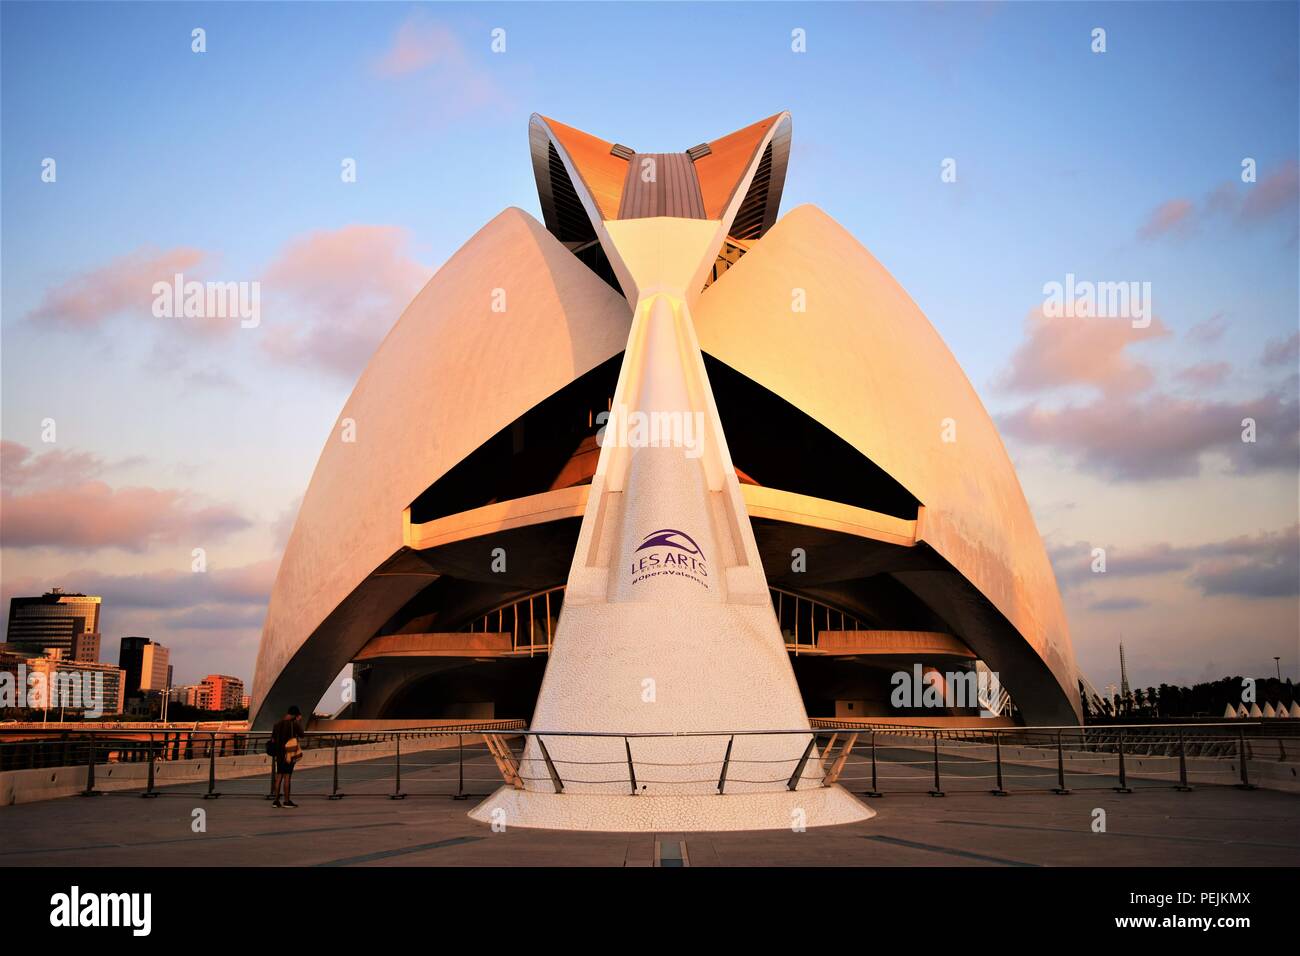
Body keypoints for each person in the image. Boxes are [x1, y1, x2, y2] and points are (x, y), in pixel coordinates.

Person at [270, 705, 306, 808]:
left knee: (279, 777)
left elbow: (273, 740)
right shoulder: (294, 724)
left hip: (279, 754)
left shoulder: (277, 724)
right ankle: (286, 801)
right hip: (289, 754)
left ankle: (276, 801)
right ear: (295, 715)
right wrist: (299, 722)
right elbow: (302, 734)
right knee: (287, 777)